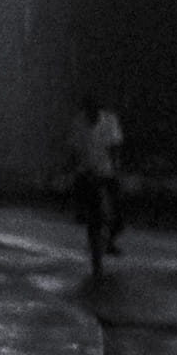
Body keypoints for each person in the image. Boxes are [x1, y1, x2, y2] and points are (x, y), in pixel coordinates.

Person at [63, 97, 128, 273]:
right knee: (86, 206)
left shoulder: (109, 121)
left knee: (118, 210)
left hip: (106, 170)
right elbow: (74, 149)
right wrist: (73, 168)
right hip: (86, 171)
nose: (90, 114)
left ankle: (111, 241)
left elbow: (115, 146)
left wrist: (116, 167)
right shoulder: (78, 123)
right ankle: (80, 213)